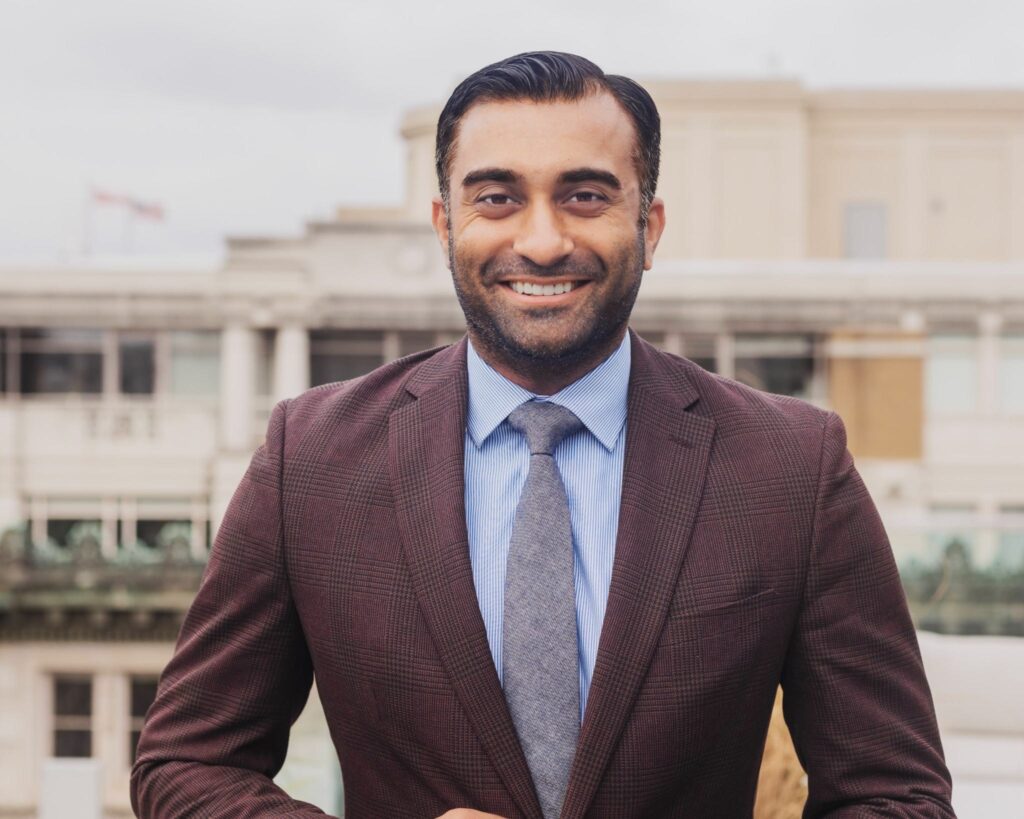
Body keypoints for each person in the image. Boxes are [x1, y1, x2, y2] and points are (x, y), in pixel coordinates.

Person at [131, 52, 955, 818]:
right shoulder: (308, 458)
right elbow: (183, 763)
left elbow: (898, 794)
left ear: (651, 225)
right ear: (444, 223)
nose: (542, 239)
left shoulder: (793, 468)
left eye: (585, 195)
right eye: (496, 197)